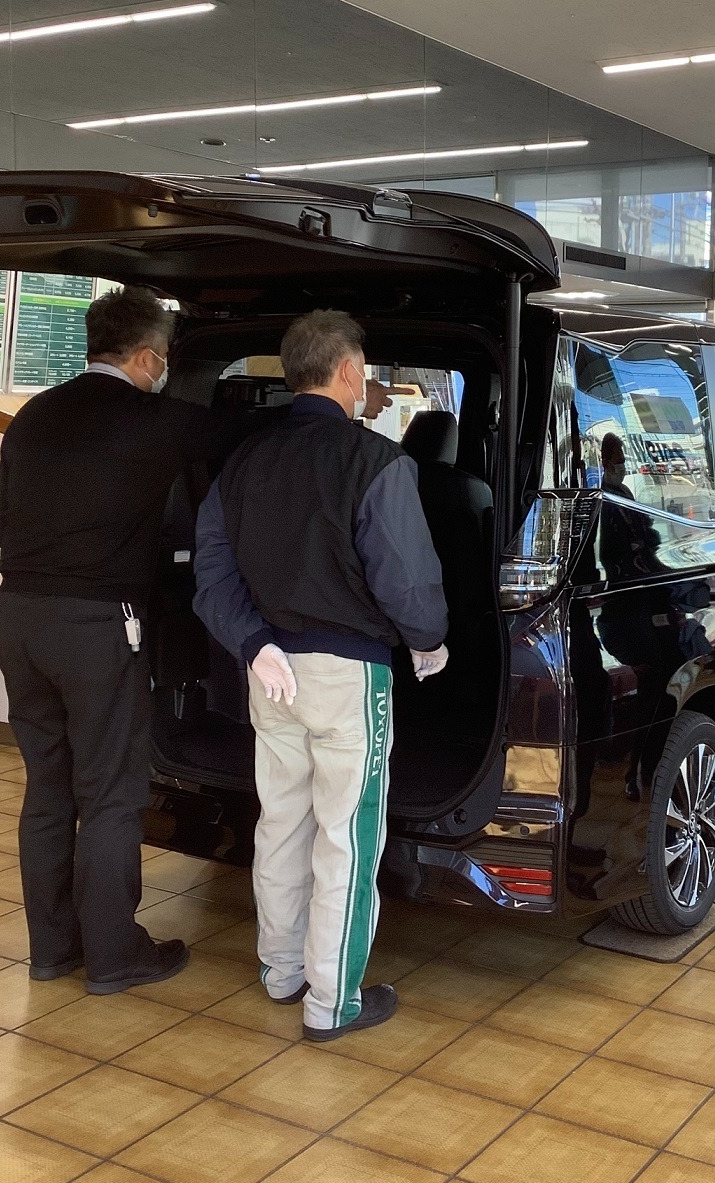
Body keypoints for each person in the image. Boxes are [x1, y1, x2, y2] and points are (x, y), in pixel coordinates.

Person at [193, 309, 448, 1041]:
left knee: (281, 824)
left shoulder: (243, 460)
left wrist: (252, 643)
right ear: (346, 372)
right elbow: (407, 583)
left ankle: (281, 971)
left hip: (269, 671)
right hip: (348, 675)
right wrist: (428, 641)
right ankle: (332, 1002)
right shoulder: (377, 462)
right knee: (347, 837)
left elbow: (212, 574)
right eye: (363, 371)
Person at [0, 285, 231, 994]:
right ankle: (115, 953)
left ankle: (52, 949)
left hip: (17, 617)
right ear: (149, 357)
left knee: (47, 788)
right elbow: (248, 447)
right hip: (96, 625)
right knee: (110, 792)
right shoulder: (157, 419)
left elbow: (5, 521)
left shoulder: (34, 415)